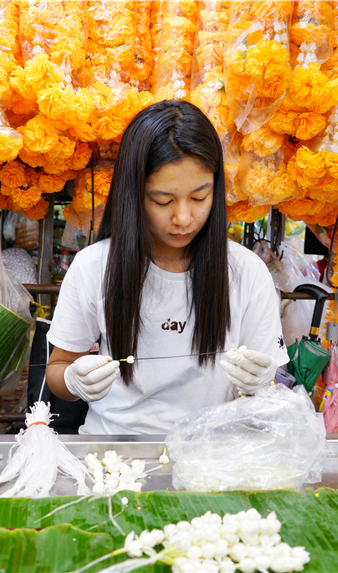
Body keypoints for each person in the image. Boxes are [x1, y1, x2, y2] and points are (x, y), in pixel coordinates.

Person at [45, 100, 288, 434]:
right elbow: (58, 369)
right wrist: (73, 380)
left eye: (200, 198)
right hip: (113, 452)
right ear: (133, 193)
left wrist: (265, 382)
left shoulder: (246, 272)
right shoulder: (94, 266)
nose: (183, 218)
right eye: (163, 201)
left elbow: (274, 387)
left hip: (211, 454)